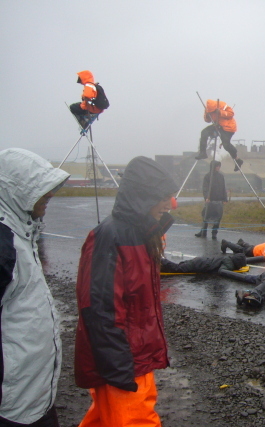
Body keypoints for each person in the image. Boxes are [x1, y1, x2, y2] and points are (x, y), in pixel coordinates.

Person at [74, 156, 179, 426]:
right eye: (164, 197)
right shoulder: (110, 237)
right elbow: (100, 309)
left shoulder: (141, 234)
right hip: (124, 363)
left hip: (133, 359)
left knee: (103, 419)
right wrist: (119, 368)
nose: (169, 205)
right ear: (144, 197)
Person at [0, 148, 69, 426]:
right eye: (42, 188)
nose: (50, 195)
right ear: (17, 191)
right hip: (12, 405)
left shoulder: (23, 233)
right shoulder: (5, 245)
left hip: (35, 396)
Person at [196, 99, 243, 171]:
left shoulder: (222, 105)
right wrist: (208, 116)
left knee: (226, 145)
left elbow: (231, 114)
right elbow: (207, 120)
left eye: (213, 111)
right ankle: (203, 152)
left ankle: (237, 159)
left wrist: (221, 112)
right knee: (204, 132)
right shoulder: (208, 109)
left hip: (228, 127)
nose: (212, 112)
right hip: (217, 126)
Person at [195, 160, 227, 239]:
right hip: (210, 200)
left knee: (218, 217)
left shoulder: (221, 176)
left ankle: (214, 233)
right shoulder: (207, 176)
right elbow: (205, 188)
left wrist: (225, 198)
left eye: (219, 166)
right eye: (216, 166)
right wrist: (206, 197)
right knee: (205, 216)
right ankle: (203, 231)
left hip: (219, 200)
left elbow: (223, 188)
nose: (218, 168)